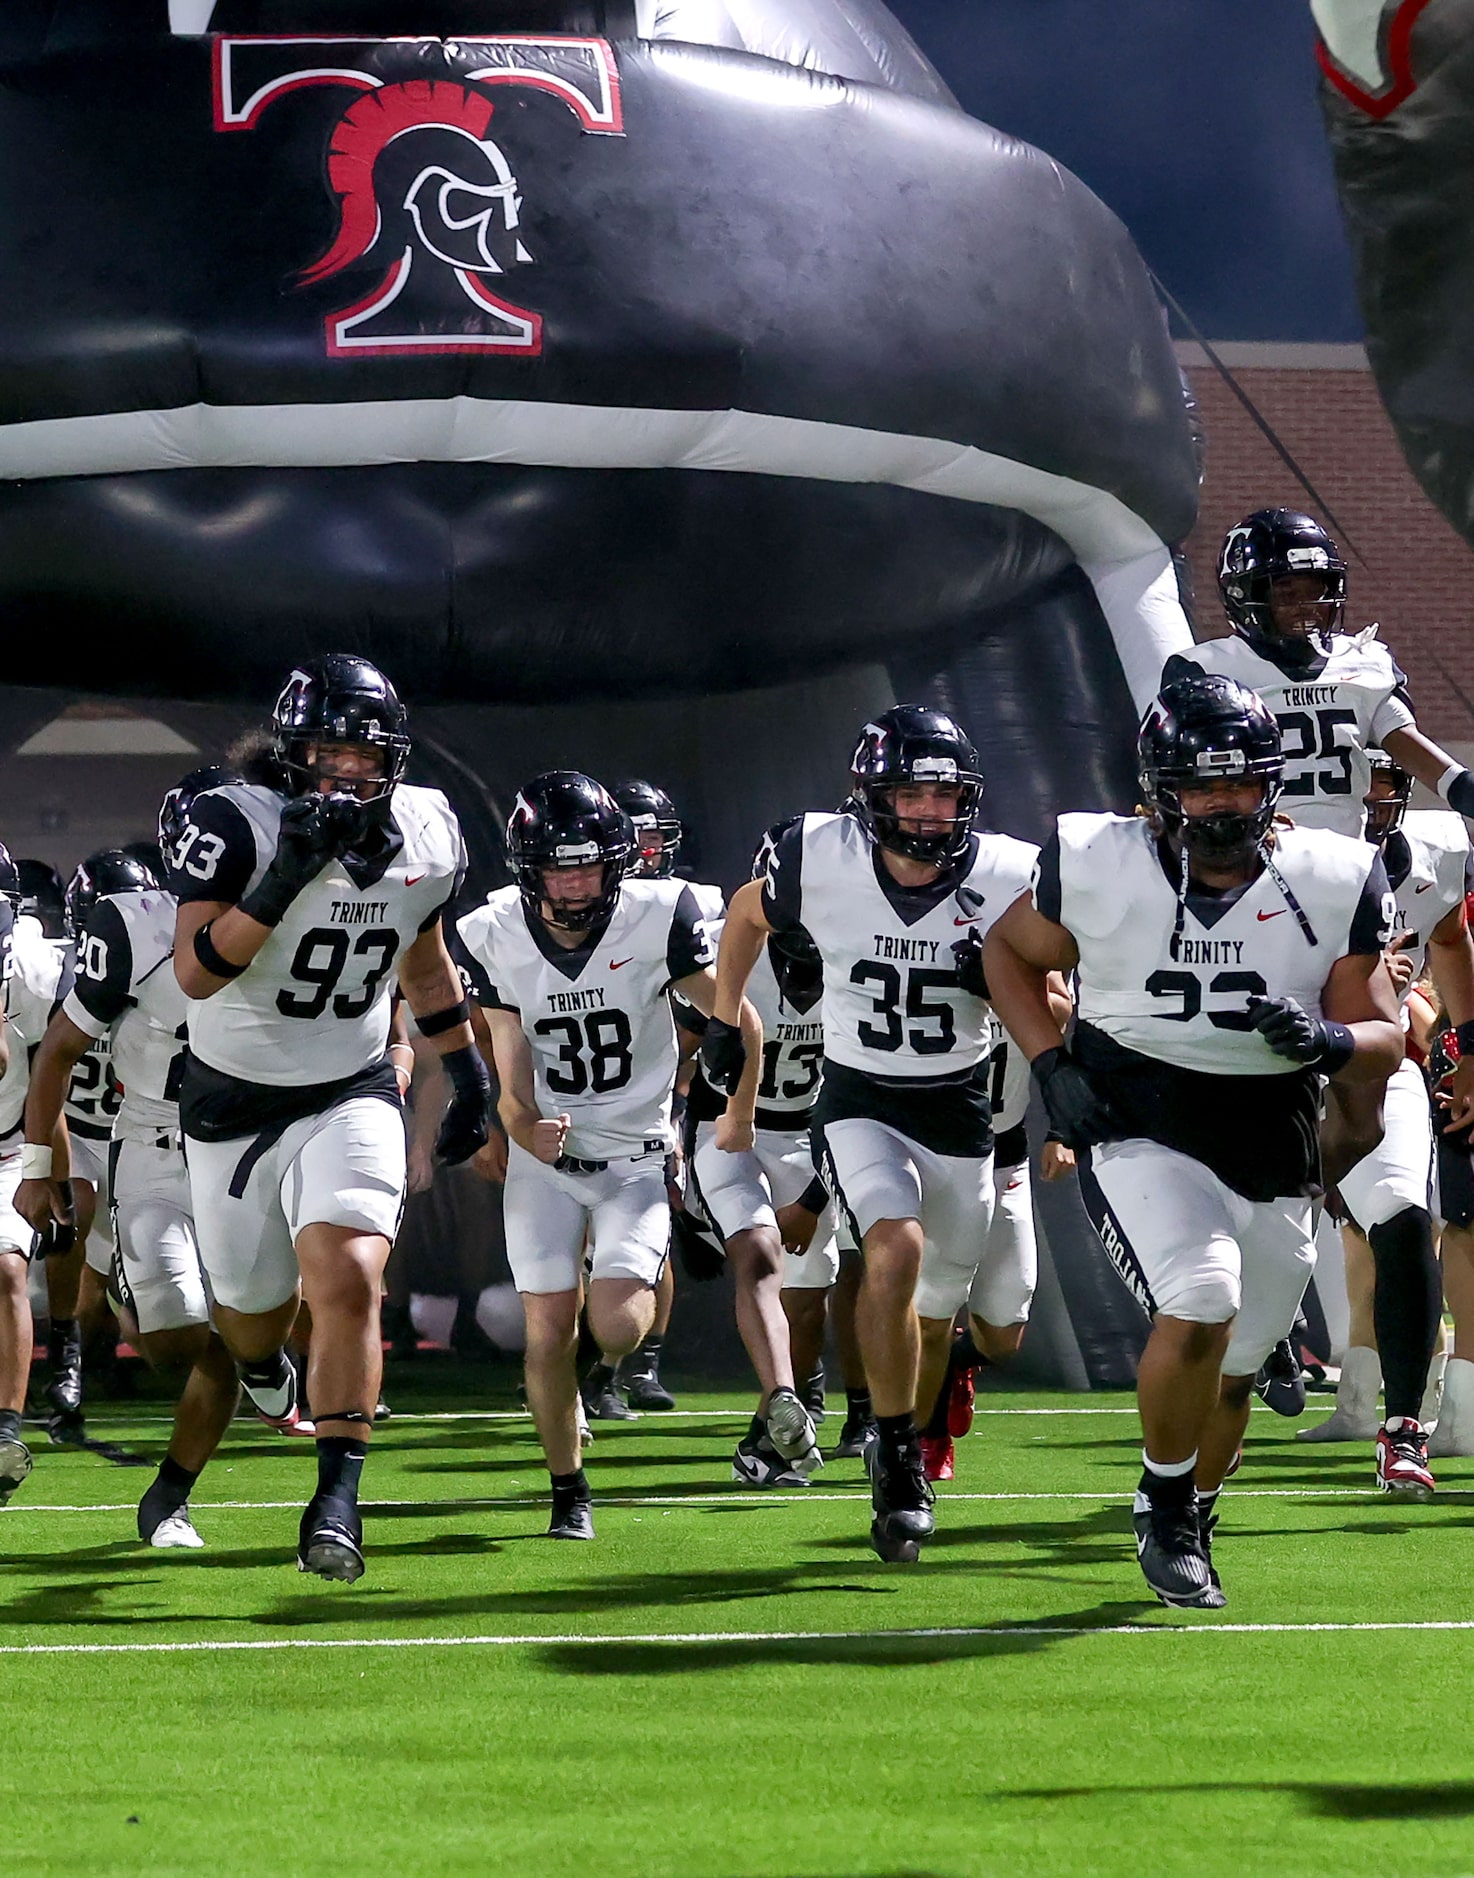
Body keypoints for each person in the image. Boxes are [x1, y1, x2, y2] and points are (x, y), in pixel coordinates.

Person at [985, 671, 1403, 1608]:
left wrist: (1330, 1039)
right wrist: (1053, 1065)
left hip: (1272, 1131)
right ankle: (1164, 1507)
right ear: (1158, 791)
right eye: (1203, 785)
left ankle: (1197, 1506)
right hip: (1141, 1114)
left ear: (1273, 785)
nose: (1225, 803)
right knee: (1202, 1297)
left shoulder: (1330, 876)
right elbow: (1006, 953)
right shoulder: (1099, 856)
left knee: (1239, 1368)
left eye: (1243, 782)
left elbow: (1380, 1034)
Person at [165, 656, 490, 1583]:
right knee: (251, 1324)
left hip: (349, 1086)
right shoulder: (235, 821)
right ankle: (267, 1373)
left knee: (350, 1275)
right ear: (291, 750)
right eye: (326, 749)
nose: (346, 769)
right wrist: (282, 882)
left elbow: (423, 966)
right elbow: (195, 972)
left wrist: (467, 1076)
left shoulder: (428, 826)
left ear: (392, 757)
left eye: (363, 751)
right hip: (233, 1099)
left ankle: (337, 1500)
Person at [710, 705, 1039, 1563]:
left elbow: (1067, 994)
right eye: (912, 793)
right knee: (892, 1248)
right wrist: (724, 1016)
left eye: (945, 795)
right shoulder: (820, 856)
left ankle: (910, 1433)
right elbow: (746, 916)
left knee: (938, 1313)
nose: (930, 811)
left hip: (961, 1109)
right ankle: (894, 1455)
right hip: (858, 1095)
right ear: (872, 796)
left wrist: (1006, 980)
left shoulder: (1010, 874)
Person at [457, 772, 762, 1540]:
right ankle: (569, 1490)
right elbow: (506, 1047)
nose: (576, 883)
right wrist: (520, 1120)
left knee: (619, 1326)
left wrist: (734, 1109)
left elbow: (736, 1018)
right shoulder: (493, 930)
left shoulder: (660, 915)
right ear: (529, 868)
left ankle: (600, 1361)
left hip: (632, 1153)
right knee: (544, 1332)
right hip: (546, 1165)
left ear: (618, 862)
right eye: (560, 867)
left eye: (590, 864)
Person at [16, 796, 242, 1547]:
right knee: (171, 1337)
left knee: (289, 1308)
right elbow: (52, 1058)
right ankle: (82, 1344)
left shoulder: (288, 919)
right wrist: (40, 1163)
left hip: (249, 1139)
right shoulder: (112, 945)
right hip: (133, 1137)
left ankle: (297, 1437)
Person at [1299, 753, 1474, 1487]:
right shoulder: (1277, 853)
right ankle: (1270, 1348)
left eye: (1385, 785)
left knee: (1403, 1220)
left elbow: (1451, 940)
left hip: (1374, 1067)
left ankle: (1403, 1427)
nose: (1370, 800)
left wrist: (1466, 1047)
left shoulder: (1432, 853)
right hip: (1254, 1072)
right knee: (1252, 1259)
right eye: (1352, 783)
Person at [1173, 508, 1474, 836]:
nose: (1306, 604)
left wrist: (1465, 789)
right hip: (1250, 858)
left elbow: (1426, 759)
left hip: (1349, 858)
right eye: (1286, 591)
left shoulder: (1365, 662)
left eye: (1316, 589)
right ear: (1243, 593)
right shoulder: (1205, 671)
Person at [682, 823, 831, 1486]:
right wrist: (674, 1168)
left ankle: (771, 1431)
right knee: (759, 1255)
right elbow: (677, 1057)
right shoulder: (725, 950)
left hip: (814, 1134)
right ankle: (782, 1405)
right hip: (728, 1128)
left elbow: (863, 1091)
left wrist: (819, 1191)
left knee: (806, 1297)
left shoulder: (863, 953)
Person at [605, 777, 726, 1416]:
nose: (643, 848)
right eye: (632, 834)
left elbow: (718, 1006)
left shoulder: (692, 901)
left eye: (653, 835)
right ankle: (590, 1364)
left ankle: (644, 1363)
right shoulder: (572, 901)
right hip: (594, 1085)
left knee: (653, 1222)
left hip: (671, 1085)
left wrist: (684, 1079)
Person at [39, 849, 158, 1442]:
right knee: (75, 1216)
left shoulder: (166, 954)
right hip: (78, 1131)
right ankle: (70, 1368)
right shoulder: (55, 970)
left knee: (146, 1319)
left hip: (143, 1130)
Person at [0, 839, 66, 1504]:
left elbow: (50, 1068)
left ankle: (4, 1430)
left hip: (4, 1141)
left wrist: (48, 1171)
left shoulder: (31, 963)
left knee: (6, 1268)